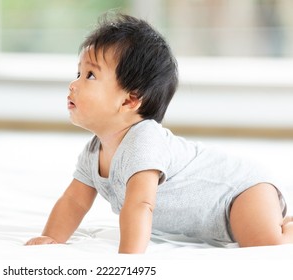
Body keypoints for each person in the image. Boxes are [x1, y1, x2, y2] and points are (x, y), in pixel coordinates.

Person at [25, 13, 293, 254]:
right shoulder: (94, 152)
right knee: (251, 235)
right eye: (78, 73)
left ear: (130, 100)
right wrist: (51, 238)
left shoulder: (144, 140)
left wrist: (128, 263)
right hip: (216, 221)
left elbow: (140, 205)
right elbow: (74, 201)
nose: (74, 84)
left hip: (240, 192)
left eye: (90, 76)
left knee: (265, 245)